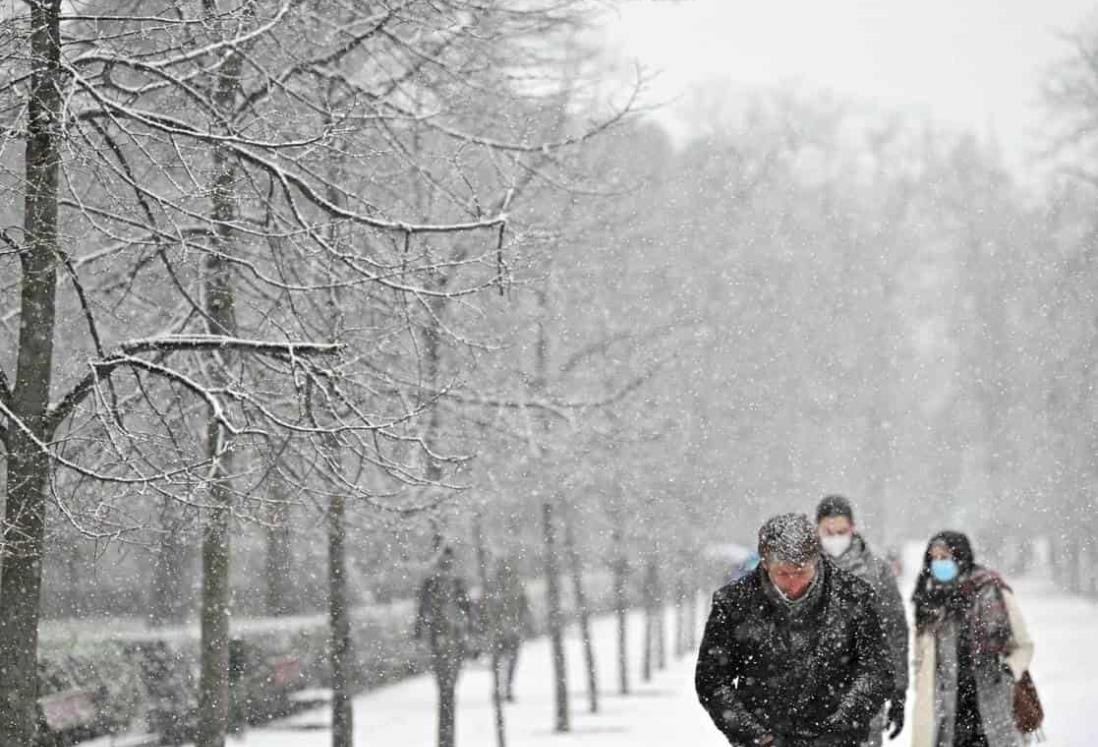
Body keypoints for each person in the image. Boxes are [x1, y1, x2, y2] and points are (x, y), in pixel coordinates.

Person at [696, 513, 893, 747]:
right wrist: (752, 734)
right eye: (783, 574)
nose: (794, 584)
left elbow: (876, 671)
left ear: (816, 560)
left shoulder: (854, 597)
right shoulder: (734, 604)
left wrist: (842, 725)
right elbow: (712, 680)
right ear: (765, 563)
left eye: (802, 572)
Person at [910, 531, 1035, 747]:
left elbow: (1023, 645)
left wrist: (1008, 671)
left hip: (990, 706)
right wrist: (923, 687)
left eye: (945, 557)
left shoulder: (990, 590)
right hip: (946, 711)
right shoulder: (929, 601)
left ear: (961, 557)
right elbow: (921, 657)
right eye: (934, 559)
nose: (939, 564)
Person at [816, 495, 910, 744]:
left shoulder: (877, 571)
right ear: (817, 529)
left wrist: (899, 690)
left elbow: (896, 632)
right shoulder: (802, 570)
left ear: (852, 528)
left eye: (841, 531)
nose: (835, 537)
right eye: (828, 531)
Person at [415, 546, 472, 747]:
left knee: (450, 671)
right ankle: (446, 692)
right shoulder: (433, 582)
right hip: (442, 633)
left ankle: (447, 691)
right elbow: (423, 608)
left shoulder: (455, 582)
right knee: (444, 671)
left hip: (451, 634)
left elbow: (466, 607)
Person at [482, 558, 532, 702]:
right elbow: (487, 609)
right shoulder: (497, 587)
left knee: (507, 662)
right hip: (502, 630)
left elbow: (524, 607)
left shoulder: (513, 586)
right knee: (503, 662)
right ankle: (501, 689)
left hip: (508, 630)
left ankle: (505, 689)